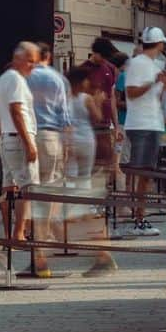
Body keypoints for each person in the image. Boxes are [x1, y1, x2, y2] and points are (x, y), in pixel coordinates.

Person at [0, 41, 44, 277]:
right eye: (31, 60)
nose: (33, 66)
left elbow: (0, 112)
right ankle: (19, 233)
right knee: (28, 187)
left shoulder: (4, 78)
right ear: (20, 58)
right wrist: (28, 142)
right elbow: (16, 110)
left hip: (7, 137)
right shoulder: (15, 79)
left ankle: (9, 233)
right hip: (17, 138)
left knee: (8, 186)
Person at [64, 65, 116, 277]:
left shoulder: (64, 98)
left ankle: (99, 252)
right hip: (86, 140)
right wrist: (99, 101)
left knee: (73, 181)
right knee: (83, 179)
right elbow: (97, 117)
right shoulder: (85, 98)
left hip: (69, 142)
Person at [123, 27, 166, 236]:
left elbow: (154, 97)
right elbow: (131, 93)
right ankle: (138, 220)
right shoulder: (138, 63)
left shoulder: (155, 64)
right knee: (141, 173)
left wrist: (164, 87)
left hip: (152, 123)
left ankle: (140, 217)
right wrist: (154, 83)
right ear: (159, 44)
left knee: (146, 173)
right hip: (141, 124)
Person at [28, 42, 71, 242]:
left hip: (27, 134)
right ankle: (43, 233)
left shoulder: (24, 77)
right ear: (49, 56)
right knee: (49, 185)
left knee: (28, 185)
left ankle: (26, 230)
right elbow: (64, 113)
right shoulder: (57, 78)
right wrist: (68, 144)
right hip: (50, 136)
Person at [87, 37, 122, 176]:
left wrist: (116, 125)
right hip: (89, 125)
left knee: (105, 166)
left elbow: (112, 97)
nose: (104, 60)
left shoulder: (110, 69)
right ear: (95, 53)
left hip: (105, 125)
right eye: (103, 56)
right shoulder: (84, 69)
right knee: (90, 166)